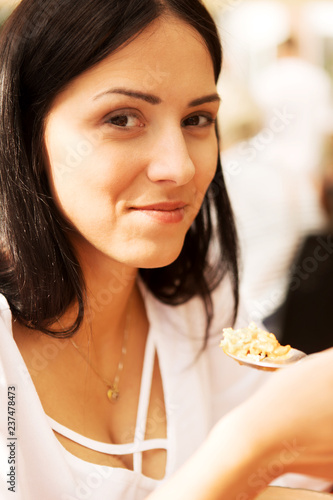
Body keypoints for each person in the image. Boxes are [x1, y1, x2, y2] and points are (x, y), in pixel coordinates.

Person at [0, 1, 333, 499]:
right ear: (26, 131)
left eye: (197, 118)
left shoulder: (203, 310)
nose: (178, 168)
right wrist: (248, 445)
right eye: (122, 118)